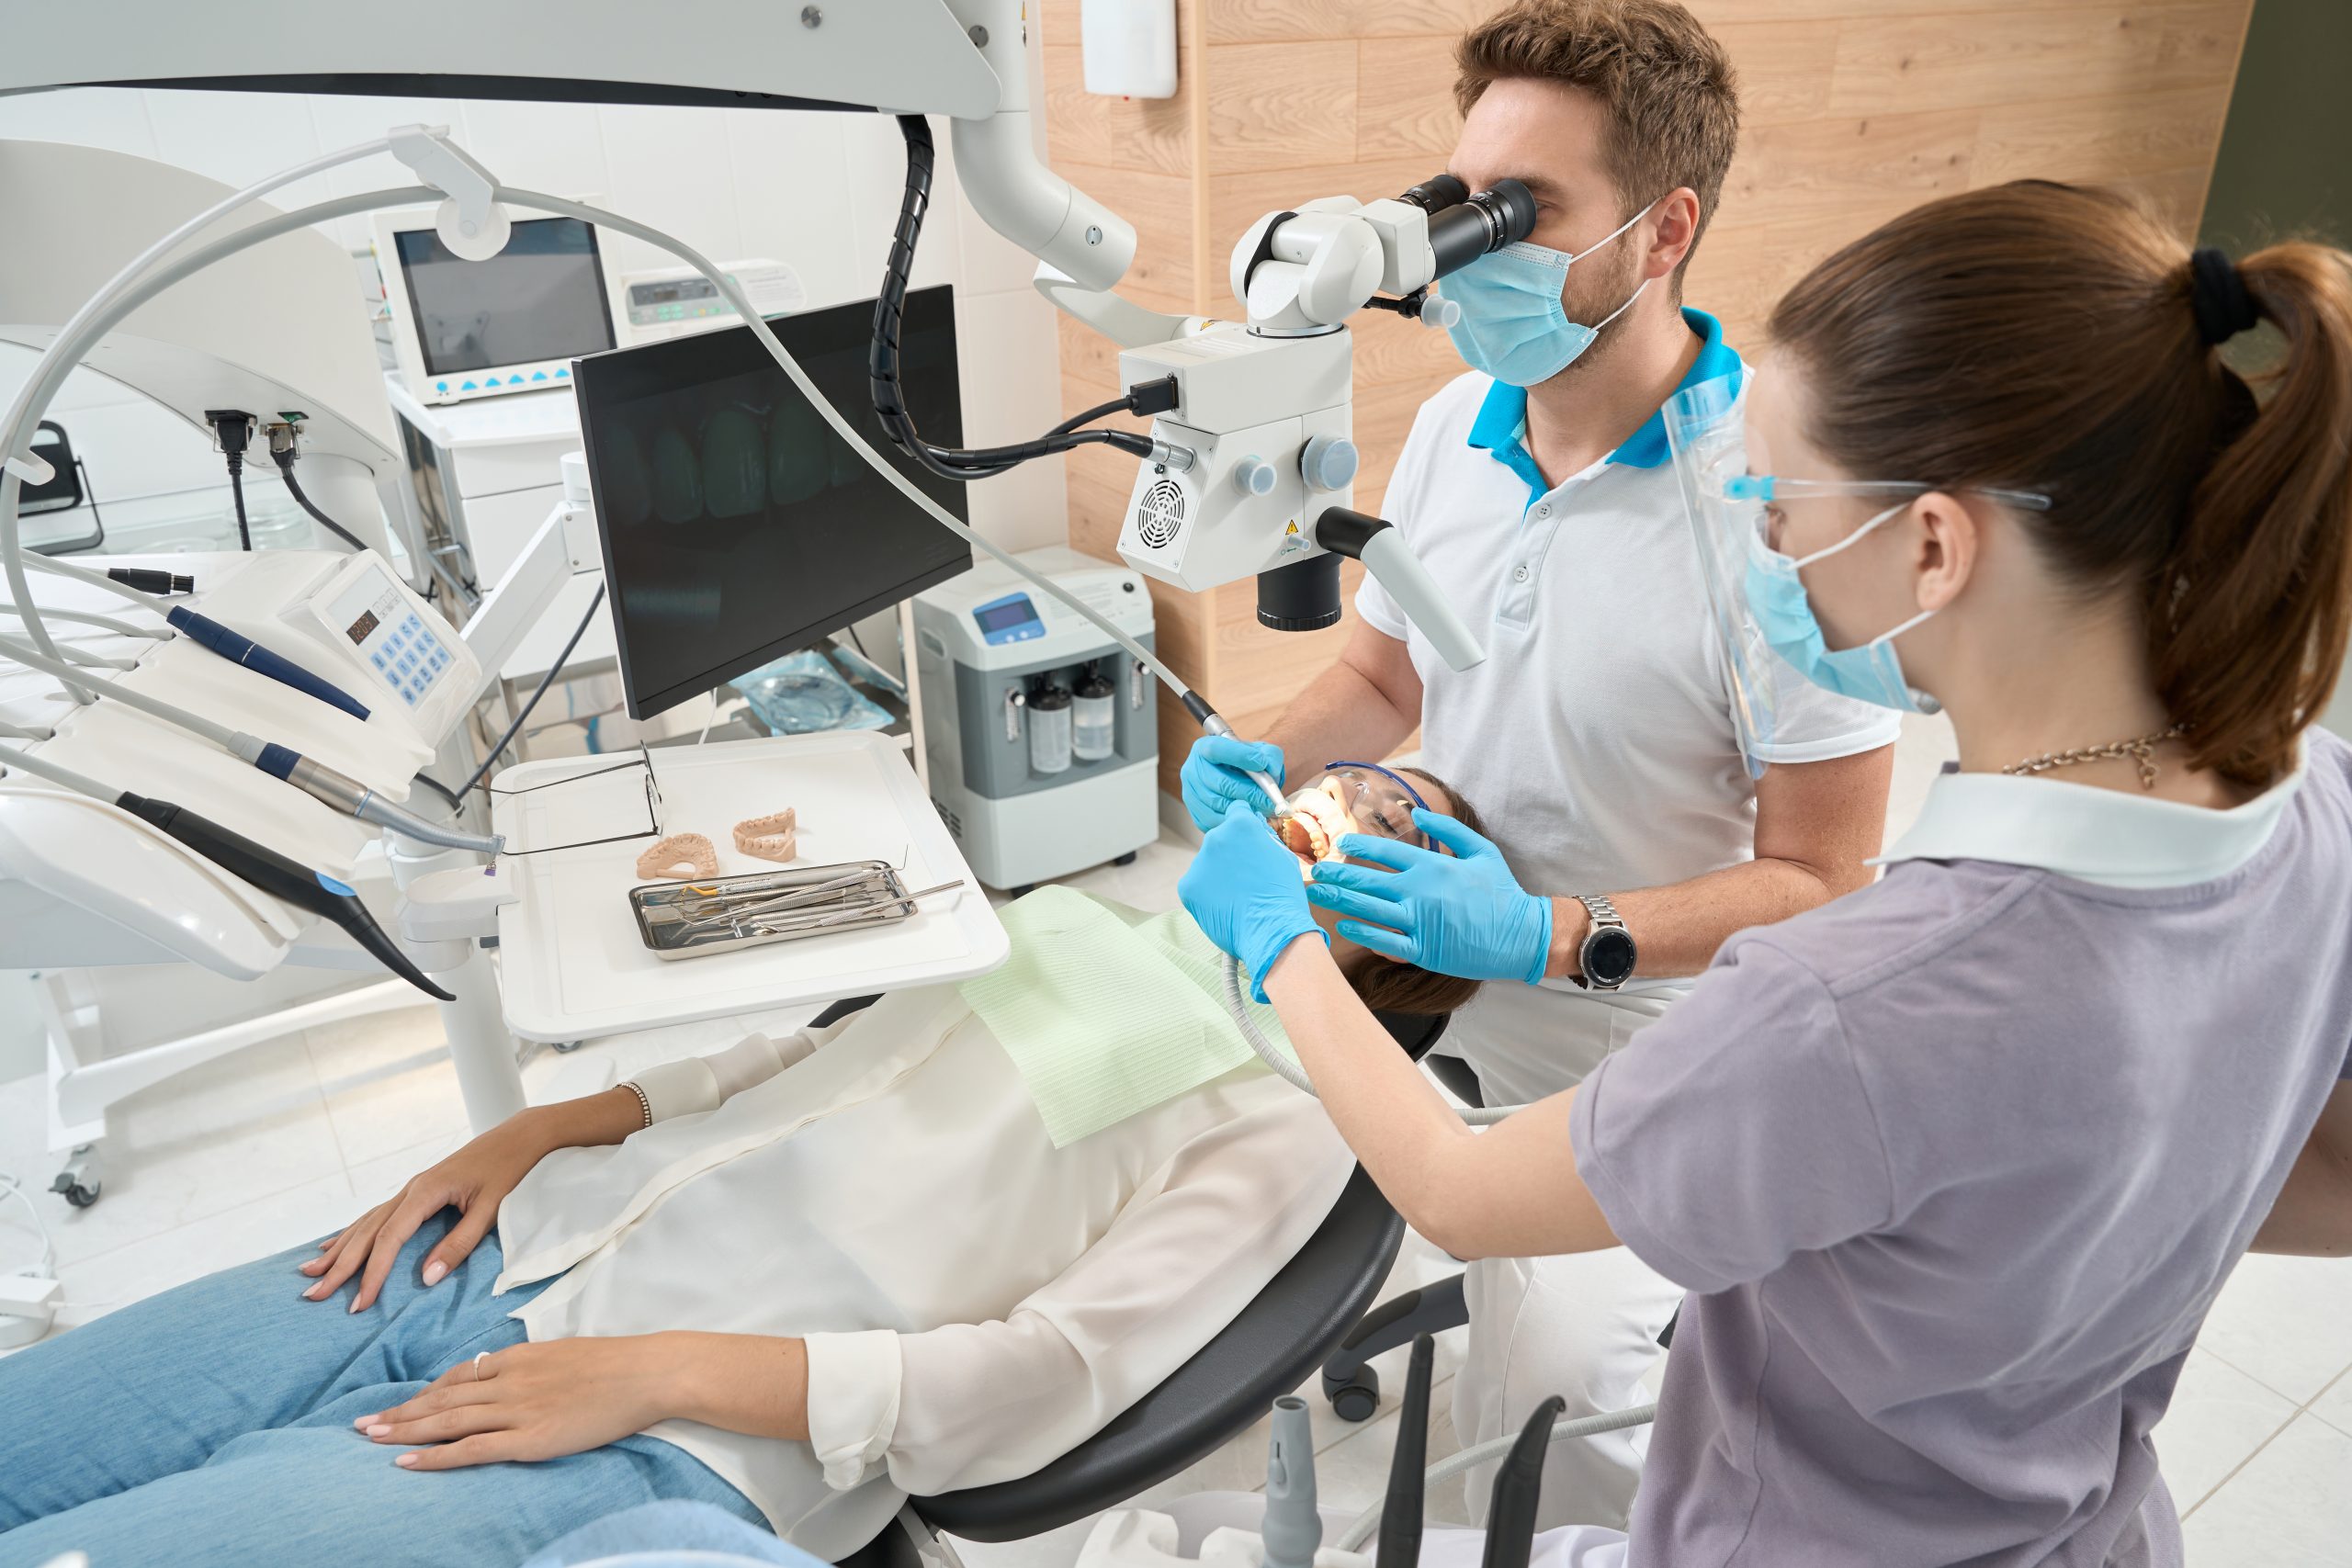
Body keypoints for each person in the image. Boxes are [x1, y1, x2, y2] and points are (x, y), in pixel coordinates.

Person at [1178, 180, 2352, 1565]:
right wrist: (2059, 1241)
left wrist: (1280, 942)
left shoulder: (1848, 1008)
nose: (1769, 550)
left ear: (1932, 543)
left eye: (1784, 512)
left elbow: (1456, 1189)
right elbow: (2319, 1173)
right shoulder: (2317, 810)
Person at [0, 772, 1486, 1568]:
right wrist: (542, 1128)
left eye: (1408, 825)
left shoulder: (1296, 1113)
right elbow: (799, 1059)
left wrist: (654, 1377)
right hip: (507, 1251)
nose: (1365, 802)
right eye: (1360, 782)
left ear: (1415, 947)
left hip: (662, 1437)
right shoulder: (1094, 910)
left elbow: (1033, 1382)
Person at [1182, 0, 1899, 1527]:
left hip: (1646, 1038)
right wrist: (1252, 756)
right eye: (1458, 207)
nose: (1466, 254)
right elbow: (1383, 674)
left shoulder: (1776, 500)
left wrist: (1552, 936)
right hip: (1426, 946)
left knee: (1578, 1408)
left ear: (1664, 230)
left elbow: (1833, 881)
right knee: (1183, 1141)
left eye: (1523, 216)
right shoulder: (1453, 423)